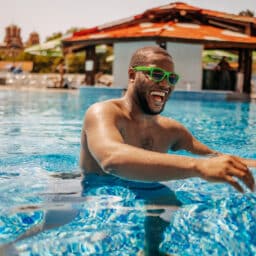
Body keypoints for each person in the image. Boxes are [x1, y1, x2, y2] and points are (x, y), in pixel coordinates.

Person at [80, 46, 256, 255]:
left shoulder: (171, 130)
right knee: (51, 225)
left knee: (166, 198)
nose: (164, 84)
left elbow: (217, 158)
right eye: (156, 74)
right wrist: (198, 167)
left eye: (171, 78)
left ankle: (150, 251)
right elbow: (111, 159)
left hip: (141, 188)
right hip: (95, 190)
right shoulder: (103, 112)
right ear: (132, 75)